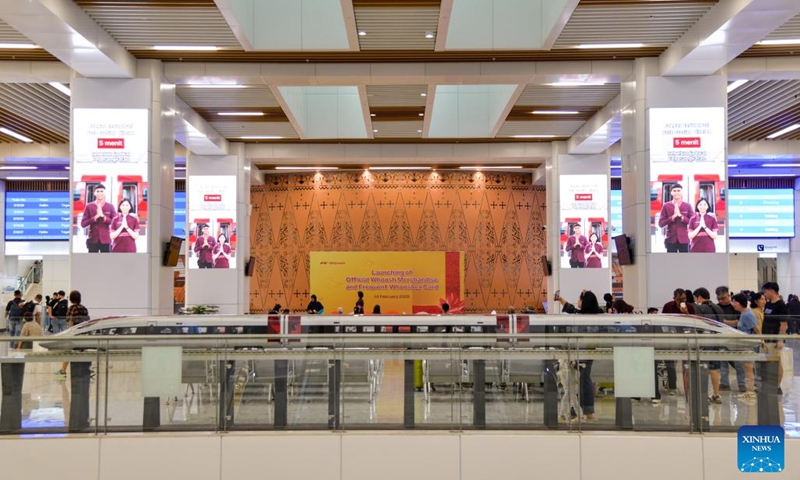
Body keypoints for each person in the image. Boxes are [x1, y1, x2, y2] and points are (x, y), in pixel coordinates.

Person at [554, 290, 601, 420]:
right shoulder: (594, 316)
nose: (577, 301)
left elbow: (571, 310)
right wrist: (560, 299)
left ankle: (577, 412)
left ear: (584, 301)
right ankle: (583, 411)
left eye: (579, 299)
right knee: (582, 381)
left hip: (581, 353)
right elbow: (570, 308)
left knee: (578, 382)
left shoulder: (582, 318)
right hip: (587, 353)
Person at [693, 288, 725, 404]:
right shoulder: (718, 308)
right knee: (714, 368)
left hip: (705, 341)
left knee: (703, 368)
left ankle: (703, 396)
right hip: (717, 341)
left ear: (699, 297)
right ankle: (716, 394)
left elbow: (698, 326)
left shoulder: (700, 308)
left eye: (696, 298)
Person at [716, 286, 746, 393]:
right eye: (719, 298)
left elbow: (737, 322)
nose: (721, 301)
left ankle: (742, 384)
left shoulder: (735, 307)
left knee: (739, 363)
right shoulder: (717, 308)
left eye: (723, 298)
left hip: (735, 338)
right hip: (722, 338)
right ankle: (724, 383)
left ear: (729, 295)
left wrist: (722, 322)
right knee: (723, 362)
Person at [730, 293, 759, 402]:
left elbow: (756, 329)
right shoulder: (743, 314)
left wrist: (761, 340)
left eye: (735, 302)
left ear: (741, 303)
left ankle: (750, 392)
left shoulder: (747, 314)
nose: (733, 304)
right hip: (745, 345)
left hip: (749, 345)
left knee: (749, 369)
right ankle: (749, 391)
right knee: (748, 369)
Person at [762, 282, 788, 395]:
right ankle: (769, 383)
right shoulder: (768, 304)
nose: (764, 294)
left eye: (765, 292)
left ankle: (777, 386)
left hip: (775, 338)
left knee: (777, 362)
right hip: (767, 337)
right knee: (768, 362)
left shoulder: (781, 305)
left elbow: (784, 324)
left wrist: (780, 339)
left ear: (772, 291)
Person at [57, 291, 90, 377]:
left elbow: (70, 322)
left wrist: (69, 333)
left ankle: (63, 371)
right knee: (82, 352)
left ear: (71, 299)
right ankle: (87, 370)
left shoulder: (72, 308)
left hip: (75, 334)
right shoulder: (84, 308)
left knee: (68, 351)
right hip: (84, 334)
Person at [80, 184, 116, 253]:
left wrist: (103, 217)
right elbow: (83, 224)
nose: (100, 193)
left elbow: (114, 222)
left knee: (106, 259)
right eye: (98, 191)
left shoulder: (110, 206)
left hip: (106, 240)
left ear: (105, 193)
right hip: (92, 239)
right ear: (94, 193)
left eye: (102, 191)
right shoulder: (89, 206)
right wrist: (95, 217)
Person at [658, 183, 693, 252]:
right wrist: (672, 217)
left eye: (678, 191)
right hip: (670, 239)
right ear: (671, 192)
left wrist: (681, 216)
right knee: (671, 259)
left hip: (684, 240)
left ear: (682, 192)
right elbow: (661, 224)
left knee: (684, 258)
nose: (676, 193)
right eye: (674, 191)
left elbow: (692, 222)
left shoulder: (688, 206)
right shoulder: (666, 206)